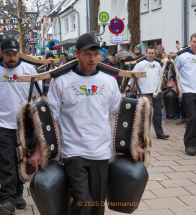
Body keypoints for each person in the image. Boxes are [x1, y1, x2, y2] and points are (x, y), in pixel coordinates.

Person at [29, 33, 144, 215]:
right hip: (73, 151)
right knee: (84, 201)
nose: (92, 59)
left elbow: (116, 116)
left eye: (95, 53)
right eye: (87, 54)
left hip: (100, 152)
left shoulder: (109, 82)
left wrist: (133, 145)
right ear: (77, 53)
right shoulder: (61, 81)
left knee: (97, 205)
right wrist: (38, 149)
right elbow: (50, 119)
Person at [0, 38, 42, 214]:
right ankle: (7, 198)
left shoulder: (29, 70)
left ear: (19, 53)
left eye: (14, 54)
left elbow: (40, 97)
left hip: (24, 125)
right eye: (8, 54)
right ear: (1, 53)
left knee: (21, 160)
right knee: (6, 161)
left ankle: (18, 193)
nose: (12, 58)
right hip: (2, 123)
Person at [175, 33, 196, 156]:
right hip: (187, 91)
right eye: (194, 41)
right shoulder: (182, 56)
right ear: (190, 42)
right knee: (192, 117)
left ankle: (195, 143)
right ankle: (188, 144)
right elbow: (175, 70)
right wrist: (174, 83)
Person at [126, 46, 170, 139]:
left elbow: (160, 76)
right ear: (146, 53)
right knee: (144, 113)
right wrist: (129, 85)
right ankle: (142, 133)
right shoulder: (140, 64)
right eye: (149, 53)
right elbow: (133, 75)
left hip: (156, 92)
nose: (151, 55)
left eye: (152, 53)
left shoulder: (158, 64)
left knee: (157, 113)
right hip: (144, 92)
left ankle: (159, 133)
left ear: (155, 54)